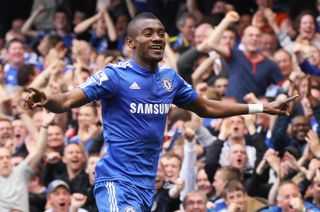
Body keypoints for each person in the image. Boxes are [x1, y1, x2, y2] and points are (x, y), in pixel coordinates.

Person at [24, 12, 298, 211]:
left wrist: (263, 107)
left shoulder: (170, 80)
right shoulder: (113, 76)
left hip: (147, 186)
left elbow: (206, 107)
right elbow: (67, 100)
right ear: (131, 43)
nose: (157, 38)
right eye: (148, 33)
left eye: (160, 33)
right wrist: (46, 98)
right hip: (117, 181)